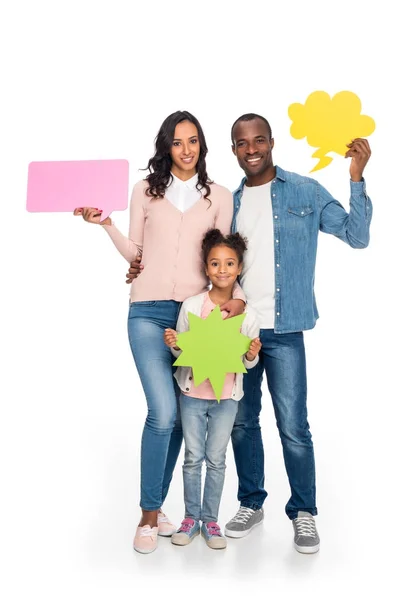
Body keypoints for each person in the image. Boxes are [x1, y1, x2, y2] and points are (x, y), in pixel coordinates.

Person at [126, 113, 372, 554]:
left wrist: (356, 179)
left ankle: (304, 513)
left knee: (294, 426)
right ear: (234, 150)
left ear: (272, 142)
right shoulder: (228, 200)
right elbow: (204, 255)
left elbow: (357, 236)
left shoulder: (305, 191)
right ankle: (250, 502)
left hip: (286, 326)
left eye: (259, 140)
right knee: (241, 422)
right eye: (242, 143)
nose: (252, 148)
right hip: (231, 331)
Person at [73, 111, 246, 554]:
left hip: (196, 318)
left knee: (179, 421)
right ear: (165, 147)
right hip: (147, 313)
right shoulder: (145, 192)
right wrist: (106, 224)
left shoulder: (220, 196)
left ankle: (162, 508)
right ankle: (149, 515)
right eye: (177, 142)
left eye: (193, 141)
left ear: (202, 147)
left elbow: (223, 258)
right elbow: (137, 252)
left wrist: (238, 297)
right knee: (163, 413)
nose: (186, 149)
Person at [163, 229, 261, 550]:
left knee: (216, 460)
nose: (222, 270)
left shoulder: (248, 314)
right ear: (206, 268)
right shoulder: (192, 306)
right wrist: (176, 345)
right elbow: (181, 355)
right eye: (215, 263)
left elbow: (246, 363)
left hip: (226, 400)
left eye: (229, 263)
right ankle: (191, 518)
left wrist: (250, 355)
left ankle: (212, 521)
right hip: (192, 396)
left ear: (239, 268)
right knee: (193, 458)